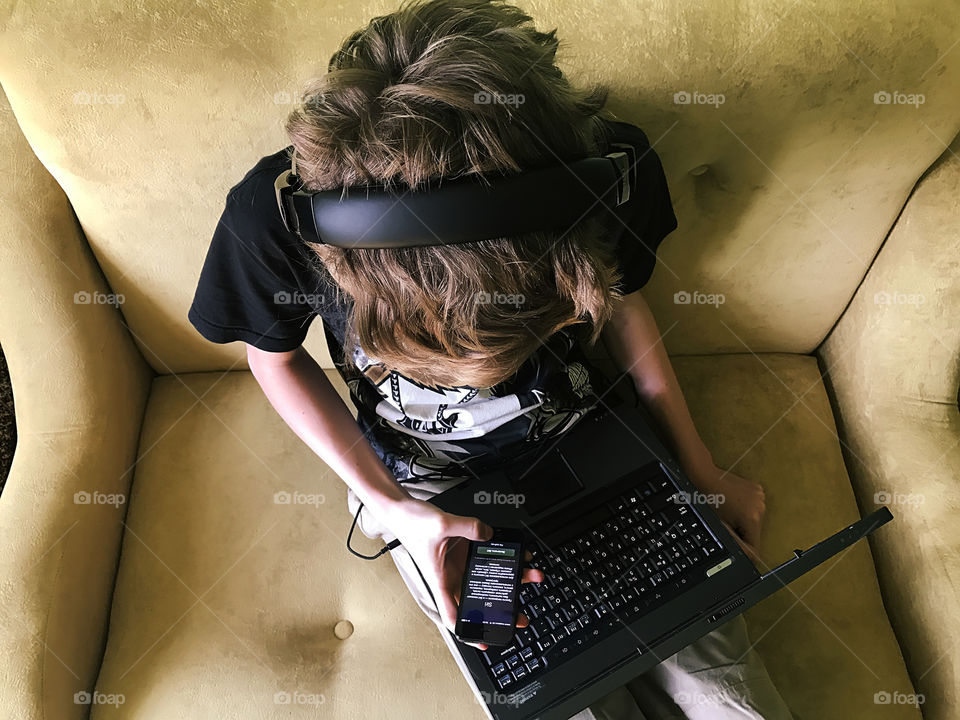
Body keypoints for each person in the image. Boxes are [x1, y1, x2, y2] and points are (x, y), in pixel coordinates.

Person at [188, 1, 794, 717]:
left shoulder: (608, 175)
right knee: (558, 689)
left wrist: (697, 465)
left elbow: (626, 303)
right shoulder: (277, 216)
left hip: (589, 438)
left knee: (730, 693)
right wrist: (396, 509)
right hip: (423, 482)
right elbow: (277, 358)